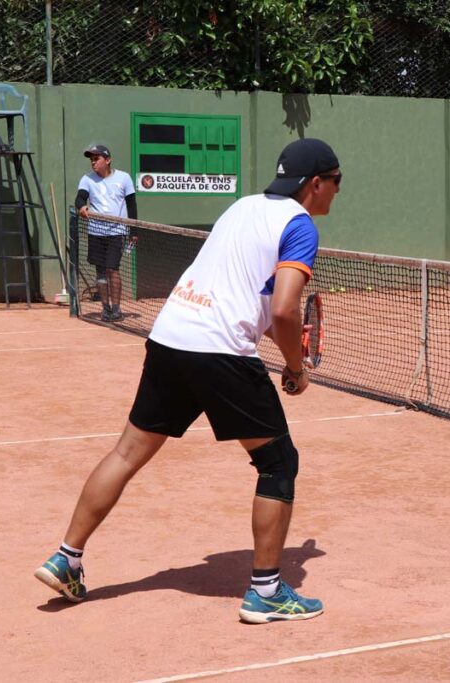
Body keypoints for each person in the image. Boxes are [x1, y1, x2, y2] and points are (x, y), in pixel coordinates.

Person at [35, 138, 342, 624]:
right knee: (277, 462)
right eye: (336, 182)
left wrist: (270, 333)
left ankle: (66, 558)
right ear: (316, 184)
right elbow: (284, 308)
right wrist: (296, 368)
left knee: (126, 452)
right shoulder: (300, 226)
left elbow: (241, 288)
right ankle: (265, 591)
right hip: (219, 349)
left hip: (171, 334)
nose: (336, 193)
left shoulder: (242, 207)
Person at [76, 144, 137, 322]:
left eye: (97, 159)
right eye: (91, 159)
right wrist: (82, 206)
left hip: (117, 232)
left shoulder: (124, 178)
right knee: (101, 271)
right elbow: (80, 197)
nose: (93, 162)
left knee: (113, 269)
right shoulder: (87, 179)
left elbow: (132, 204)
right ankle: (105, 309)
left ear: (107, 160)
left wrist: (134, 230)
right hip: (95, 232)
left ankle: (117, 309)